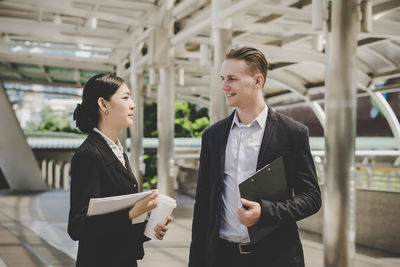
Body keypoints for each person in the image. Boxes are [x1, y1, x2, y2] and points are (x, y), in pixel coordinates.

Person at [188, 47, 321, 267]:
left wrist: (266, 213)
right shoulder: (213, 136)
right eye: (223, 78)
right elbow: (203, 204)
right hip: (222, 257)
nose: (225, 86)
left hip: (274, 257)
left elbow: (311, 197)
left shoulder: (292, 133)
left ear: (257, 81)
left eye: (232, 79)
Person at [68, 73, 172, 267]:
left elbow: (115, 227)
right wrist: (131, 213)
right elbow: (77, 227)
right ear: (104, 104)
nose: (132, 104)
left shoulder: (117, 151)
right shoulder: (89, 155)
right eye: (125, 97)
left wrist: (149, 225)